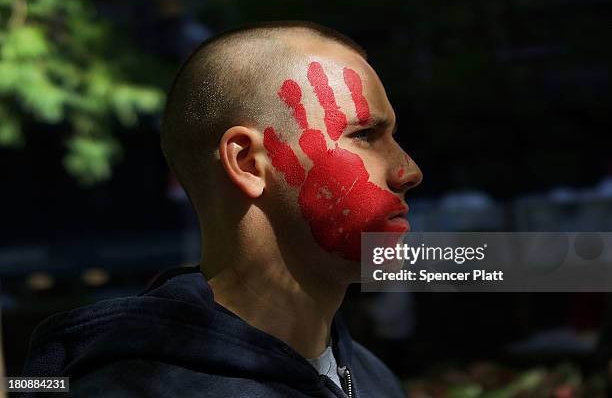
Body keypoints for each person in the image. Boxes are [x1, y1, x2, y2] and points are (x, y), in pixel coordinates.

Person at [22, 21, 422, 397]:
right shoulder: (126, 386)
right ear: (248, 162)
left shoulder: (373, 377)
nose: (409, 171)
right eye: (365, 135)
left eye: (393, 136)